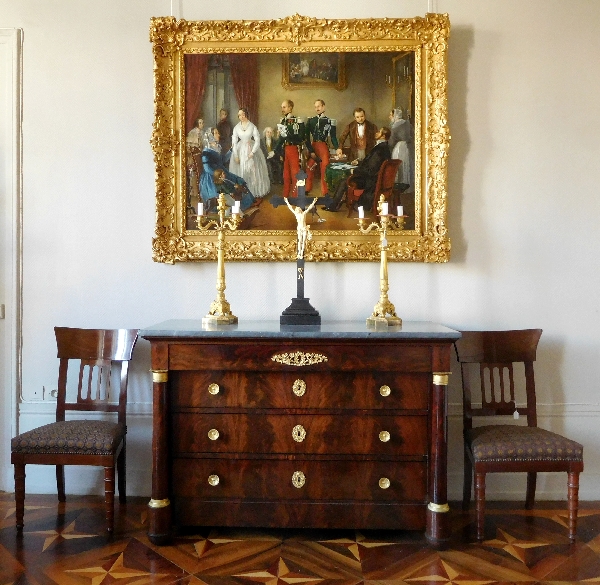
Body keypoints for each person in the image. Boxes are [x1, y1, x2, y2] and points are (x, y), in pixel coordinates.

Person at [324, 127, 391, 212]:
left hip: (371, 182)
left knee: (344, 181)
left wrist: (355, 171)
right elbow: (372, 164)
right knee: (345, 180)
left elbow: (370, 171)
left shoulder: (379, 150)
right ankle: (336, 204)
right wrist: (359, 163)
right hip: (373, 179)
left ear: (383, 136)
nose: (376, 133)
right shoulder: (384, 147)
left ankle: (333, 206)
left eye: (379, 132)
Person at [199, 127, 256, 213]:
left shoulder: (217, 148)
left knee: (238, 180)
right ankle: (233, 208)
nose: (219, 135)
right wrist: (219, 175)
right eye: (216, 133)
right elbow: (207, 169)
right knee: (227, 187)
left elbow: (223, 160)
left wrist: (231, 150)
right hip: (212, 177)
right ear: (211, 136)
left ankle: (245, 203)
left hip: (222, 172)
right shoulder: (206, 151)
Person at [229, 108, 270, 200]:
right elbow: (234, 142)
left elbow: (257, 140)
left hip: (251, 149)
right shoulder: (236, 127)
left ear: (246, 114)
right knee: (242, 171)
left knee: (252, 171)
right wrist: (236, 155)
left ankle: (253, 192)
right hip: (240, 150)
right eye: (239, 115)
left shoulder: (252, 126)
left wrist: (253, 152)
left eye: (243, 114)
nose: (241, 117)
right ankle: (243, 193)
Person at [274, 99, 310, 198]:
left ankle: (296, 196)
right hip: (285, 149)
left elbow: (301, 137)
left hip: (294, 148)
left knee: (295, 174)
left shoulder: (297, 121)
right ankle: (285, 196)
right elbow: (281, 138)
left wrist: (288, 135)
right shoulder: (282, 121)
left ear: (290, 108)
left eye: (284, 107)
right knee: (286, 175)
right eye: (282, 107)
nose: (282, 109)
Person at [305, 99, 338, 197]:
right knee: (309, 167)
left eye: (319, 106)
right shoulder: (311, 120)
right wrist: (311, 151)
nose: (317, 109)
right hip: (313, 146)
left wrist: (337, 147)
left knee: (325, 168)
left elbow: (333, 137)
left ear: (324, 107)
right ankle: (307, 188)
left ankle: (325, 191)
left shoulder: (330, 121)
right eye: (315, 107)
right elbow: (306, 137)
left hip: (323, 146)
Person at [388, 107, 413, 191]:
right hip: (407, 147)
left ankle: (399, 185)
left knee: (399, 166)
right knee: (406, 164)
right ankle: (407, 186)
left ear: (395, 115)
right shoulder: (408, 124)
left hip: (399, 148)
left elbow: (391, 142)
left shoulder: (395, 126)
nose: (389, 117)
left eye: (391, 115)